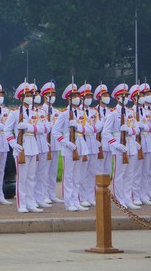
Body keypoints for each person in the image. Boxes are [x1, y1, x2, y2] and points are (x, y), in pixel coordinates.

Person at [5, 82, 43, 213]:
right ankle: (21, 203)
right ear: (21, 98)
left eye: (31, 95)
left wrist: (29, 127)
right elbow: (7, 130)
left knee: (32, 177)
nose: (30, 98)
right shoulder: (15, 113)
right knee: (22, 177)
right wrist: (14, 144)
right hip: (21, 147)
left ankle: (31, 202)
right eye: (27, 95)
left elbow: (43, 128)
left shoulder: (35, 112)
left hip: (33, 144)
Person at [52, 83, 90, 212]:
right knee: (68, 176)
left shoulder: (81, 113)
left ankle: (76, 200)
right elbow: (55, 132)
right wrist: (66, 143)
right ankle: (69, 202)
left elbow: (89, 129)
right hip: (69, 146)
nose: (77, 98)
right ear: (69, 99)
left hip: (80, 144)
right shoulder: (63, 114)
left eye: (78, 96)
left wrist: (78, 127)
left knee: (77, 175)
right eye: (74, 96)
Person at [102, 83, 141, 209]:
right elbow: (106, 133)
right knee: (119, 174)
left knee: (130, 173)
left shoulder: (130, 112)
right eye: (123, 95)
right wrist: (116, 145)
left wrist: (130, 131)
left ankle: (128, 198)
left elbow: (137, 129)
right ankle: (119, 200)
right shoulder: (113, 113)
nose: (125, 97)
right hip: (120, 146)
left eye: (126, 95)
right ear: (117, 98)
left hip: (131, 145)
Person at [40, 82, 63, 204]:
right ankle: (43, 195)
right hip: (45, 143)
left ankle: (51, 193)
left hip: (55, 143)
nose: (52, 96)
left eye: (53, 94)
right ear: (44, 96)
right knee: (44, 171)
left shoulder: (57, 112)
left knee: (53, 170)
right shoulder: (40, 110)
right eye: (50, 94)